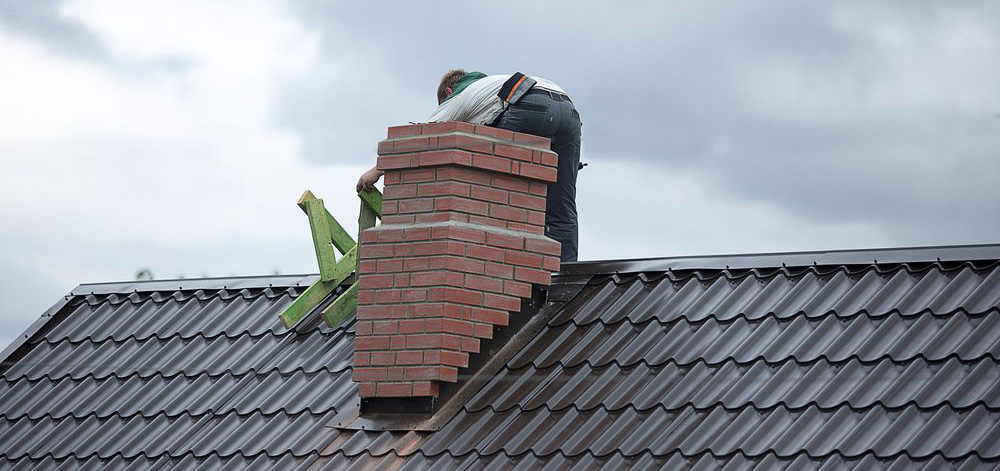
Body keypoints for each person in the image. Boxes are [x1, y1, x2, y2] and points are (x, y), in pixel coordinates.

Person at [358, 69, 581, 262]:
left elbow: (423, 136)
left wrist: (377, 170)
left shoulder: (461, 94)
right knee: (562, 204)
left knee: (491, 185)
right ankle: (565, 274)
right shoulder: (490, 88)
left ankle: (498, 258)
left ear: (448, 92)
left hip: (528, 104)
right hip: (568, 112)